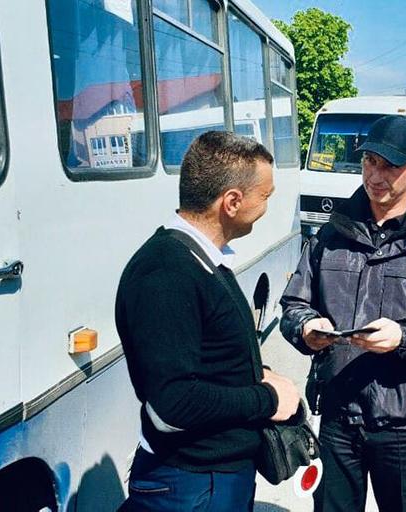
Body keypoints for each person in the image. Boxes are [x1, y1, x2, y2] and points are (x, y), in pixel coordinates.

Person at [280, 115, 406, 512]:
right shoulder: (331, 233)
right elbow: (294, 303)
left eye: (390, 166)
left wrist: (405, 336)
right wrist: (306, 327)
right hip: (338, 416)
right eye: (369, 162)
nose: (375, 176)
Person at [115, 131, 301, 511]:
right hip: (192, 484)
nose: (268, 206)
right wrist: (268, 399)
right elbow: (173, 404)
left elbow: (209, 356)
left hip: (212, 479)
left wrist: (260, 373)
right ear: (232, 202)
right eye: (265, 195)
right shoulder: (166, 272)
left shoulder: (201, 259)